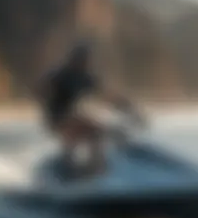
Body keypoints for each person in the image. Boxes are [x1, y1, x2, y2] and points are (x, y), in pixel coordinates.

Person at [36, 43, 144, 176]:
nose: (84, 63)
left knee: (97, 133)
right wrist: (48, 99)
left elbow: (107, 95)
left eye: (85, 60)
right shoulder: (61, 75)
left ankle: (93, 169)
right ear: (73, 59)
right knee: (86, 131)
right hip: (59, 118)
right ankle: (71, 167)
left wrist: (130, 109)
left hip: (73, 117)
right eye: (81, 59)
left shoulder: (85, 77)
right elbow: (41, 89)